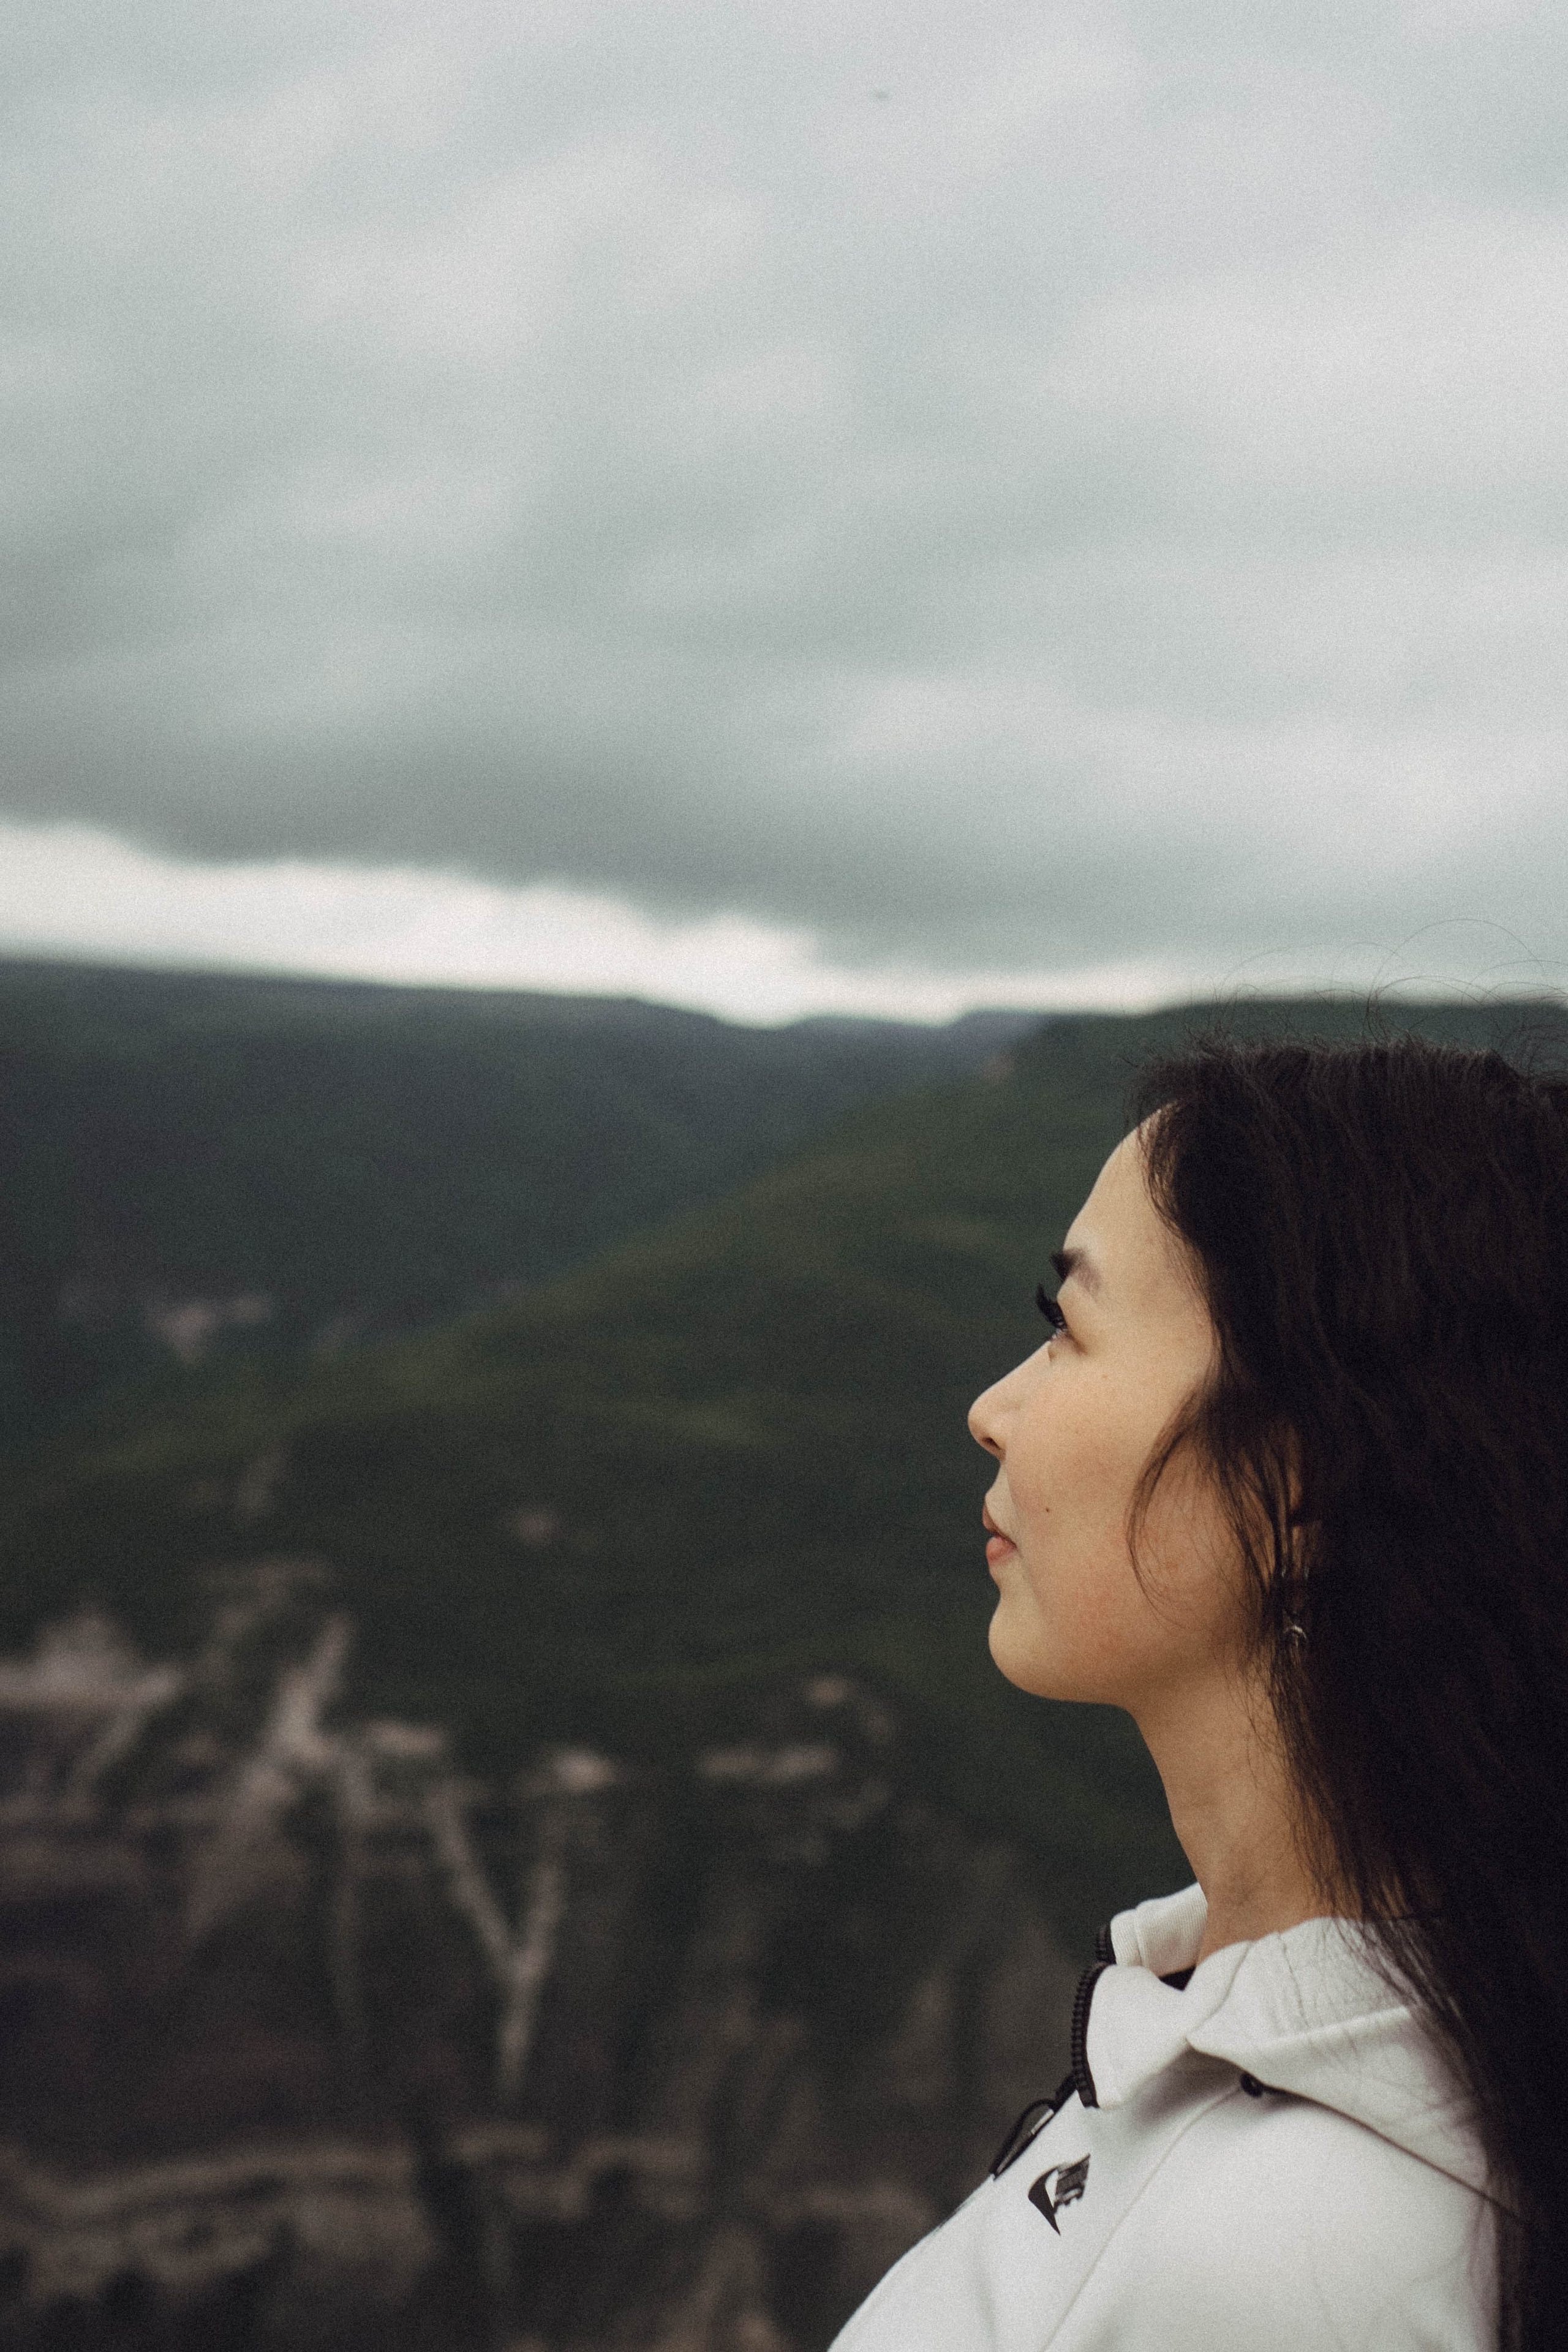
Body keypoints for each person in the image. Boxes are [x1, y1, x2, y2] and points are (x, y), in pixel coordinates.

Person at [831, 1032, 1568, 2352]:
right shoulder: (1341, 2049)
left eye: (1066, 1328)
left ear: (1295, 1486)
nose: (991, 1409)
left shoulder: (1283, 2267)